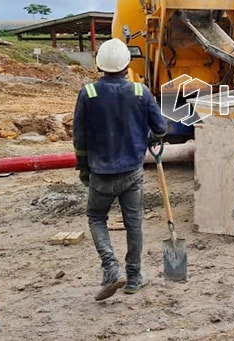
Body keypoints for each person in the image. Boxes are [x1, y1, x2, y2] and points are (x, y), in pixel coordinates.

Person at [73, 38, 167, 301]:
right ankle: (134, 277)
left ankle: (111, 268)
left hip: (101, 173)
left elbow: (79, 139)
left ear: (99, 65)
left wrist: (83, 169)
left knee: (96, 217)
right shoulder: (141, 92)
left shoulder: (88, 94)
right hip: (132, 172)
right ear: (127, 64)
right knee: (133, 223)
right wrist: (148, 138)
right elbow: (161, 129)